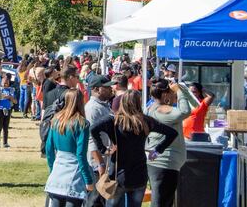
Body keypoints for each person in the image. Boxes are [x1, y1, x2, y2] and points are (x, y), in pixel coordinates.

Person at [90, 91, 178, 207]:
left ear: (123, 102)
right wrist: (157, 150)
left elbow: (93, 129)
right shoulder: (145, 121)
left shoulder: (113, 120)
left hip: (118, 175)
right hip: (139, 174)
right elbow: (172, 133)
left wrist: (104, 150)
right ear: (138, 103)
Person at [144, 79, 198, 207]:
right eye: (172, 93)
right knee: (161, 202)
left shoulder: (150, 108)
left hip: (161, 162)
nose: (174, 96)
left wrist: (181, 89)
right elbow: (185, 111)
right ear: (164, 95)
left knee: (163, 200)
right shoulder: (162, 110)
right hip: (163, 163)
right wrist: (179, 91)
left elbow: (195, 105)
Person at [43, 88, 93, 206]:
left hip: (58, 169)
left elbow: (49, 149)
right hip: (74, 172)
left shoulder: (56, 120)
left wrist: (52, 169)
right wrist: (88, 180)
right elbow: (81, 155)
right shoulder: (82, 123)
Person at [84, 75, 114, 207]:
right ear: (96, 89)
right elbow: (91, 139)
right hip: (97, 163)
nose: (110, 89)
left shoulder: (103, 106)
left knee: (102, 199)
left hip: (104, 160)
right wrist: (100, 163)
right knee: (95, 200)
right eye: (106, 87)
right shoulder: (92, 108)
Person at [0, 74, 16, 148]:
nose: (5, 84)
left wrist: (10, 97)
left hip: (8, 110)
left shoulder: (11, 90)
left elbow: (15, 102)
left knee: (6, 128)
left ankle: (5, 143)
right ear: (1, 82)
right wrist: (2, 96)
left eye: (7, 83)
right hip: (0, 110)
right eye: (4, 83)